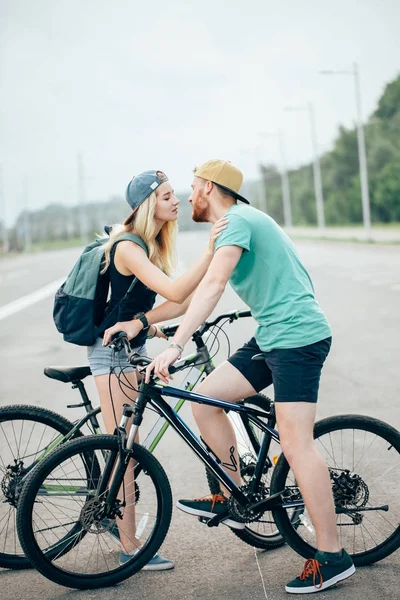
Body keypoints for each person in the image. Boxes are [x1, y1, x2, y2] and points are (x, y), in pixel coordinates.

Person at [138, 159, 355, 593]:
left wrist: (177, 346)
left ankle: (332, 556)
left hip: (297, 338)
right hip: (272, 336)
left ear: (210, 189)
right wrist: (153, 325)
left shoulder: (236, 220)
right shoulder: (231, 226)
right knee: (205, 399)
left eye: (194, 187)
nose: (188, 196)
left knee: (295, 443)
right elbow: (195, 292)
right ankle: (234, 494)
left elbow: (215, 285)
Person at [90, 169, 227, 570]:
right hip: (111, 355)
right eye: (168, 196)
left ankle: (121, 526)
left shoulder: (147, 245)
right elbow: (177, 292)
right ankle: (129, 546)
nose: (178, 201)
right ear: (150, 204)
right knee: (124, 453)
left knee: (127, 448)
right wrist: (211, 252)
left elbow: (180, 305)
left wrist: (146, 325)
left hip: (130, 348)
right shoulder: (128, 246)